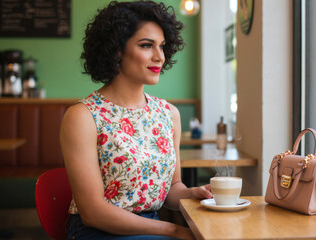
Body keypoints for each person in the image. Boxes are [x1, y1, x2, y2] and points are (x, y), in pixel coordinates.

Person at [59, 1, 212, 239]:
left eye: (162, 46)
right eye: (146, 45)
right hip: (98, 232)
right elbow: (92, 213)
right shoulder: (83, 116)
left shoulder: (169, 114)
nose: (159, 56)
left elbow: (172, 189)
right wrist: (173, 230)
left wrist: (193, 193)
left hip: (151, 228)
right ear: (116, 49)